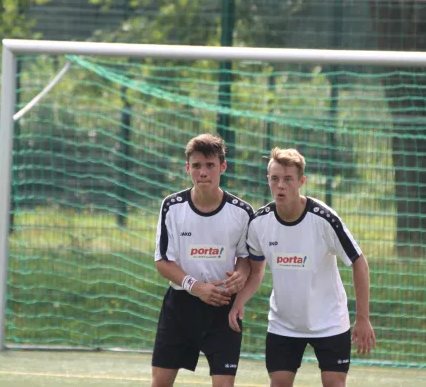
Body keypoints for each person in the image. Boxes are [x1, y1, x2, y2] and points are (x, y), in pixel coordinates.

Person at [228, 147, 376, 387]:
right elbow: (256, 272)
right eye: (275, 179)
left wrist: (363, 319)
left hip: (329, 321)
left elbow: (359, 263)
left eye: (288, 179)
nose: (281, 186)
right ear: (268, 180)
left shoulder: (324, 219)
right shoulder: (259, 224)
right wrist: (239, 301)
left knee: (334, 383)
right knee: (279, 383)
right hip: (284, 323)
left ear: (301, 181)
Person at [151, 133, 254, 387]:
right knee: (161, 382)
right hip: (180, 306)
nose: (203, 172)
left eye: (210, 165)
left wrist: (241, 274)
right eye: (196, 166)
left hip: (223, 307)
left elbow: (246, 257)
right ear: (188, 168)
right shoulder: (172, 206)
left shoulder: (241, 212)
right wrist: (196, 287)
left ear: (223, 167)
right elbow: (162, 261)